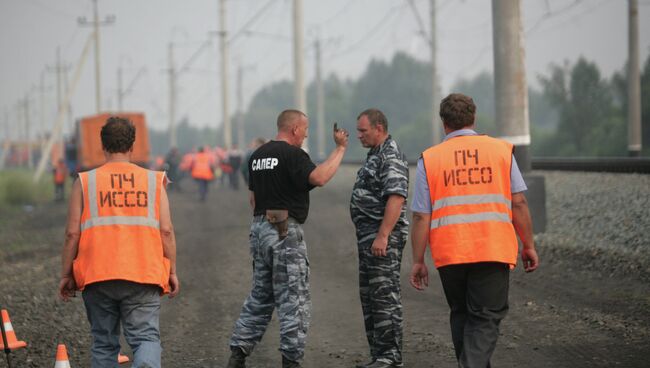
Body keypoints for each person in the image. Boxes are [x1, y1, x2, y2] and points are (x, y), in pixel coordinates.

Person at [409, 93, 539, 368]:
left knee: (462, 314)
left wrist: (418, 260)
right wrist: (528, 244)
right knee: (485, 317)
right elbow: (518, 201)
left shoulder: (430, 159)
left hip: (450, 252)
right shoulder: (501, 150)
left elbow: (421, 216)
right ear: (474, 118)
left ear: (444, 122)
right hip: (492, 249)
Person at [227, 109, 349, 368]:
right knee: (294, 299)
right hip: (284, 232)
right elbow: (320, 178)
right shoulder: (294, 155)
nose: (305, 135)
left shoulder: (257, 156)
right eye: (305, 130)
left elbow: (253, 198)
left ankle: (237, 354)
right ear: (294, 129)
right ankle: (291, 361)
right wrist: (339, 149)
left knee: (260, 296)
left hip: (259, 229)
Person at [58, 116, 179, 368]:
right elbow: (166, 231)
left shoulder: (84, 182)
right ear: (132, 146)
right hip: (143, 274)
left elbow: (72, 234)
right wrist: (172, 271)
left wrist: (66, 274)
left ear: (103, 146)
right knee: (145, 337)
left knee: (103, 343)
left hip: (96, 275)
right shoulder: (154, 181)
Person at [350, 109, 409, 368]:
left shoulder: (390, 156)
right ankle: (379, 355)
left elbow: (396, 197)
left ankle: (389, 357)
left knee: (384, 296)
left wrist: (383, 235)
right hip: (369, 239)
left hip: (383, 240)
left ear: (379, 127)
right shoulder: (375, 155)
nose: (359, 136)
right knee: (371, 296)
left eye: (363, 131)